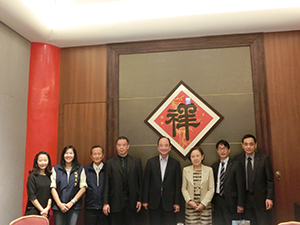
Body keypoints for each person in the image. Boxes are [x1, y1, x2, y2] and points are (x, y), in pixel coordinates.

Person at [234, 134, 274, 225]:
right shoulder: (237, 159)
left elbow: (269, 180)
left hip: (261, 198)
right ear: (242, 145)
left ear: (255, 145)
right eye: (246, 144)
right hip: (245, 198)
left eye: (251, 144)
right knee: (249, 223)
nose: (248, 147)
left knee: (263, 222)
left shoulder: (264, 159)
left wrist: (269, 197)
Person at [102, 136, 142, 225]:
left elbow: (140, 182)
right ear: (116, 146)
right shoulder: (109, 163)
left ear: (128, 146)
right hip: (115, 202)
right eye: (119, 145)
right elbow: (106, 184)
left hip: (132, 201)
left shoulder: (136, 161)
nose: (121, 147)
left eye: (124, 145)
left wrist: (140, 199)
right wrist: (105, 202)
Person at [142, 136, 182, 225]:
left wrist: (177, 202)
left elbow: (177, 184)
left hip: (169, 203)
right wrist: (145, 200)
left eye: (166, 145)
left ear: (170, 147)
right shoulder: (150, 162)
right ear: (157, 147)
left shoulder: (175, 163)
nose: (163, 148)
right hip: (153, 202)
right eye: (161, 145)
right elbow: (146, 182)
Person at [51, 145, 87, 225]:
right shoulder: (56, 169)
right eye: (66, 153)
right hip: (58, 206)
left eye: (71, 153)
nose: (68, 155)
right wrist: (59, 204)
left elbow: (83, 187)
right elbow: (53, 187)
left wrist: (71, 202)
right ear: (63, 155)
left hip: (74, 206)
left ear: (74, 155)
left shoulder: (80, 169)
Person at [212, 139, 245, 225]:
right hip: (218, 200)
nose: (222, 151)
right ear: (217, 151)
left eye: (224, 148)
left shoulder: (236, 164)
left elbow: (240, 185)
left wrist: (240, 204)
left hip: (231, 202)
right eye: (220, 149)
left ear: (229, 150)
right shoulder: (214, 166)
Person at [181, 146, 214, 225]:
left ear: (202, 156)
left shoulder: (209, 170)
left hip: (205, 208)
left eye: (197, 156)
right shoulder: (186, 170)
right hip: (191, 208)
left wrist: (203, 204)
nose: (195, 158)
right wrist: (190, 201)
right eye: (193, 156)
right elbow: (184, 188)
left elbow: (211, 189)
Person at [84, 145, 108, 225]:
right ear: (91, 156)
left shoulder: (108, 169)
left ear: (103, 155)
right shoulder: (86, 170)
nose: (97, 156)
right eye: (94, 154)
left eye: (99, 154)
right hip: (90, 207)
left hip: (104, 207)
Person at [25, 151, 52, 217]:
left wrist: (47, 209)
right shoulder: (32, 176)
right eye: (40, 160)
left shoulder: (49, 176)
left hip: (45, 212)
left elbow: (50, 195)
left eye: (45, 160)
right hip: (33, 211)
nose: (43, 163)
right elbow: (32, 197)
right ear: (36, 162)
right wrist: (42, 210)